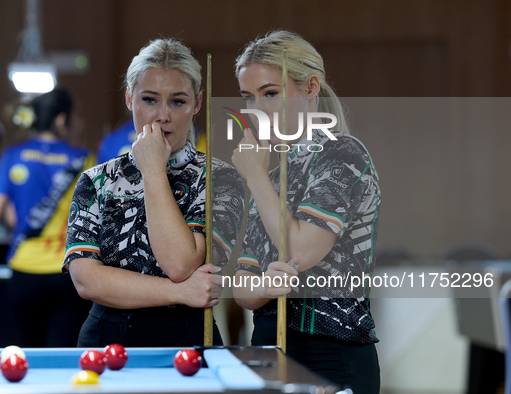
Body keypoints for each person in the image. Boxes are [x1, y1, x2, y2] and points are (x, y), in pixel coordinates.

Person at [63, 38, 244, 348]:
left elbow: (180, 264)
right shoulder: (95, 180)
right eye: (149, 99)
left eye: (177, 101)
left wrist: (153, 170)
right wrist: (180, 292)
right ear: (130, 99)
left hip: (187, 335)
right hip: (105, 337)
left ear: (197, 104)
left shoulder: (221, 178)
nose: (163, 115)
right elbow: (86, 281)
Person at [231, 30, 381, 394]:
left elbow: (301, 251)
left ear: (311, 87)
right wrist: (263, 285)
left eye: (270, 94)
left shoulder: (343, 154)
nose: (257, 110)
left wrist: (253, 175)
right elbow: (243, 283)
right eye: (248, 98)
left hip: (331, 352)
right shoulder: (269, 170)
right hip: (267, 347)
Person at [0, 88, 94, 347]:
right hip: (69, 273)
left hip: (24, 272)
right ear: (60, 120)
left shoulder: (12, 157)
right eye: (76, 115)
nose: (80, 122)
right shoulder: (84, 159)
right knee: (65, 357)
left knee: (27, 355)